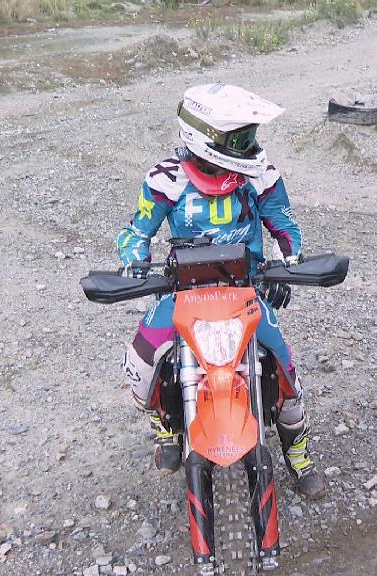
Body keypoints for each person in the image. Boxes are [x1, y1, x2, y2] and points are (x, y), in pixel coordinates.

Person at [117, 82, 324, 498]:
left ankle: (296, 451)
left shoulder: (259, 175)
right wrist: (135, 261)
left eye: (249, 137)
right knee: (142, 361)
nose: (250, 146)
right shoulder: (166, 179)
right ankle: (165, 426)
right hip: (183, 295)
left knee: (285, 369)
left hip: (246, 293)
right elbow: (135, 231)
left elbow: (285, 224)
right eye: (240, 139)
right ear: (205, 138)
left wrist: (287, 261)